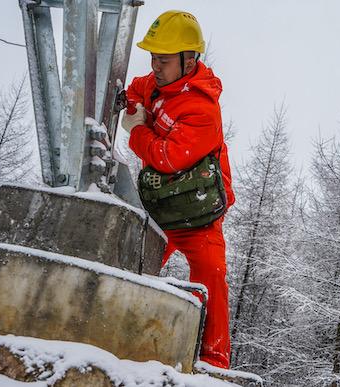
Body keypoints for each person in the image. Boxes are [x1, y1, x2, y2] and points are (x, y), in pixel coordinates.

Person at [121, 10, 235, 369]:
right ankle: (121, 333)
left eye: (164, 60)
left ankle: (214, 363)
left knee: (212, 275)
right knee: (135, 265)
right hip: (160, 207)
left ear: (189, 61)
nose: (155, 66)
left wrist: (137, 130)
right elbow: (134, 93)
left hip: (199, 212)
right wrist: (131, 105)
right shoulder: (154, 83)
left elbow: (168, 158)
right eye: (153, 57)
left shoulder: (202, 109)